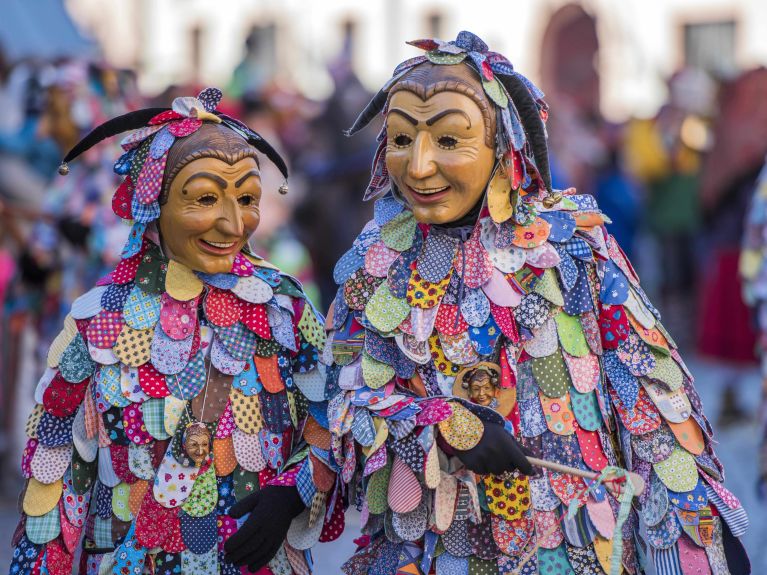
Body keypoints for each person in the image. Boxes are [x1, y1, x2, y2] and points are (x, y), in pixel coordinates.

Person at [225, 32, 751, 574]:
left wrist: (698, 534)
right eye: (403, 139)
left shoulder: (573, 247)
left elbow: (652, 405)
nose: (420, 166)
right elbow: (345, 399)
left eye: (449, 140)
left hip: (568, 554)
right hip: (426, 553)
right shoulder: (376, 259)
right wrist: (299, 487)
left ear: (503, 145)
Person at [8, 88, 331, 575]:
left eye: (247, 198)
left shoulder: (283, 306)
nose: (231, 222)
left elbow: (332, 423)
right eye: (204, 199)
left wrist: (292, 493)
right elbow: (54, 491)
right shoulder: (99, 323)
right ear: (152, 203)